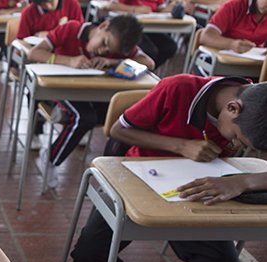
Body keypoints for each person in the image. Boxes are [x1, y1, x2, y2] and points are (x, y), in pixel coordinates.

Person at [72, 75, 267, 262]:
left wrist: (244, 180)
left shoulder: (260, 111)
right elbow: (119, 130)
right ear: (232, 108)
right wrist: (181, 146)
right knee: (88, 253)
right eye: (239, 140)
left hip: (195, 194)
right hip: (138, 180)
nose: (240, 148)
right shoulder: (178, 88)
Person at [27, 16, 154, 187]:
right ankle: (50, 158)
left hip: (90, 93)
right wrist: (68, 61)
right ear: (103, 26)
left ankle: (112, 175)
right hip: (60, 88)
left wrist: (113, 61)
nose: (102, 50)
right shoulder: (72, 29)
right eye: (104, 43)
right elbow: (34, 52)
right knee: (84, 117)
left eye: (109, 49)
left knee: (116, 116)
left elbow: (149, 63)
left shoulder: (117, 43)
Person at [102, 0, 179, 69]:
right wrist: (135, 9)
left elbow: (159, 8)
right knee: (151, 51)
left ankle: (145, 72)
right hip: (128, 28)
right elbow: (109, 5)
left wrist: (169, 8)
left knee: (170, 46)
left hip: (150, 26)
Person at [200, 0, 267, 53]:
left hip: (251, 62)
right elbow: (205, 36)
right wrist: (231, 44)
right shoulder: (234, 5)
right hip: (216, 59)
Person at [16, 0, 83, 39]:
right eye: (42, 4)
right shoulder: (28, 13)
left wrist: (51, 35)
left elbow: (80, 32)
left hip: (66, 51)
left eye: (50, 1)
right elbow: (21, 40)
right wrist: (36, 36)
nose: (48, 6)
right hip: (39, 55)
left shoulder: (72, 3)